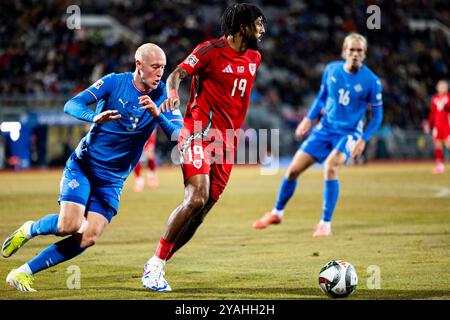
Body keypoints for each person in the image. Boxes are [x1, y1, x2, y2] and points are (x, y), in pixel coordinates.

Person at [1, 43, 183, 292]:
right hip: (84, 165)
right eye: (154, 67)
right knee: (70, 225)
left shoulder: (163, 95)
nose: (160, 73)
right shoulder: (113, 82)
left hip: (112, 179)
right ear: (138, 65)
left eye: (163, 67)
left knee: (89, 236)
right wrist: (93, 117)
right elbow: (72, 104)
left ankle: (22, 273)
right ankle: (30, 229)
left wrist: (157, 114)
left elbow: (177, 133)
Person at [141, 3, 266, 292]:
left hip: (227, 144)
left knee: (201, 212)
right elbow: (177, 74)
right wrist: (172, 93)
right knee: (196, 197)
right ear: (243, 27)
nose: (262, 29)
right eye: (258, 23)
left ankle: (156, 262)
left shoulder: (255, 58)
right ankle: (155, 267)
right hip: (197, 133)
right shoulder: (210, 50)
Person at [253, 33, 383, 237]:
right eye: (351, 50)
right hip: (325, 129)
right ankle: (276, 213)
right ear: (344, 52)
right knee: (293, 170)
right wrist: (308, 118)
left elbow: (377, 116)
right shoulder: (331, 70)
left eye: (359, 51)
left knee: (330, 167)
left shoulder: (372, 81)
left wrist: (363, 139)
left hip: (349, 133)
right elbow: (322, 97)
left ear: (364, 54)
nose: (355, 54)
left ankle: (325, 223)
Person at [424, 79, 450, 174]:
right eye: (440, 86)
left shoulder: (448, 97)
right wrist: (428, 124)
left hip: (446, 126)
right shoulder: (435, 98)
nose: (442, 88)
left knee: (448, 144)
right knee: (437, 145)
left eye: (444, 87)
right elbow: (432, 113)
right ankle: (440, 166)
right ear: (437, 88)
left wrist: (445, 105)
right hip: (437, 126)